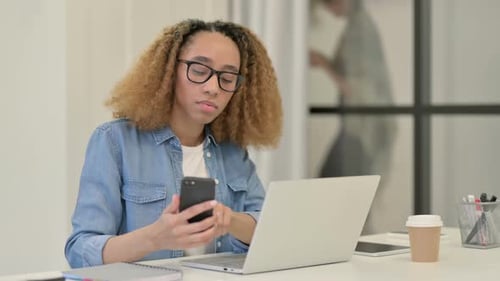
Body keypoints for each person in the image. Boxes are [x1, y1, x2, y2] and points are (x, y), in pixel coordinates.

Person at [65, 19, 282, 268]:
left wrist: (230, 220)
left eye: (228, 77)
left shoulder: (233, 151)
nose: (213, 88)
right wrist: (155, 237)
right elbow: (80, 251)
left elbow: (268, 230)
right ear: (168, 72)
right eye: (200, 70)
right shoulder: (115, 141)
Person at [309, 0, 396, 233]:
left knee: (340, 192)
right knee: (346, 194)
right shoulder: (356, 27)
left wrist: (325, 64)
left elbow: (360, 91)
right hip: (361, 126)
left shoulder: (360, 30)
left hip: (366, 127)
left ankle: (348, 245)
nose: (329, 9)